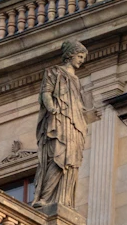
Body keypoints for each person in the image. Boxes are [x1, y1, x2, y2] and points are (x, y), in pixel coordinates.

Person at [34, 41, 89, 209]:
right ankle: (46, 198)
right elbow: (46, 93)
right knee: (58, 155)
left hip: (75, 125)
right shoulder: (54, 72)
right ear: (70, 55)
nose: (81, 61)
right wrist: (52, 108)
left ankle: (64, 201)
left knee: (71, 161)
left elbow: (80, 105)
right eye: (79, 57)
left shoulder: (77, 81)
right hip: (59, 121)